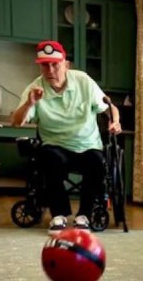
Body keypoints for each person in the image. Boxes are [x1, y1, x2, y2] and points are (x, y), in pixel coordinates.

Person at [11, 40, 121, 231]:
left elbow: (111, 108)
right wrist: (30, 103)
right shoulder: (34, 88)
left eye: (55, 64)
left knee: (97, 163)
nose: (50, 70)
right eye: (45, 65)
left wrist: (115, 121)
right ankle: (59, 215)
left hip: (87, 145)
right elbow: (16, 122)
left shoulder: (84, 81)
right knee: (47, 157)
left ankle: (84, 215)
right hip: (56, 146)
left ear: (66, 65)